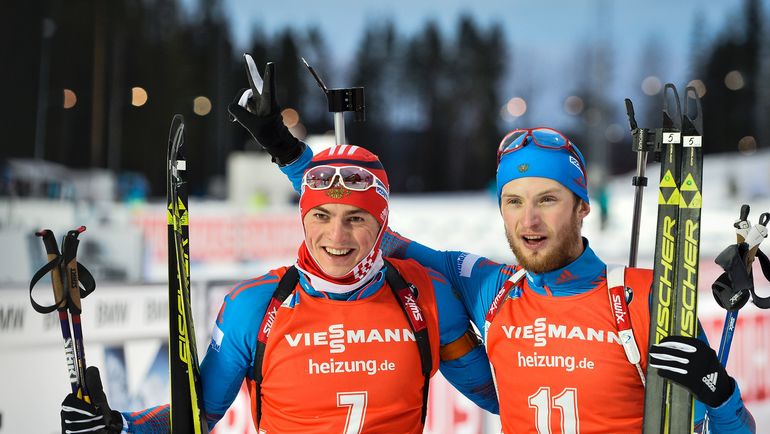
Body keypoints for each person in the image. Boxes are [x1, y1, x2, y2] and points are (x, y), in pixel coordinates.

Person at [58, 61, 498, 434]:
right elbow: (198, 416)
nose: (336, 237)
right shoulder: (255, 306)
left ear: (381, 224)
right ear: (303, 218)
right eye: (321, 217)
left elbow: (504, 395)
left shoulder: (426, 296)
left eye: (356, 219)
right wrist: (120, 425)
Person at [275, 126, 757, 433]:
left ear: (583, 207)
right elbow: (371, 231)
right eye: (514, 202)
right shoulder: (491, 287)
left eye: (547, 199)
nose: (529, 221)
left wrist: (720, 394)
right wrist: (291, 155)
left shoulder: (640, 296)